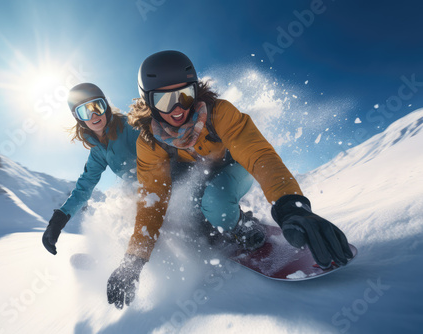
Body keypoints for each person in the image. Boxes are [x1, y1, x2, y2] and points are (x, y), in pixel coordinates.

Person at [106, 50, 354, 309]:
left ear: (195, 89)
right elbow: (152, 201)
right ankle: (213, 226)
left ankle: (242, 226)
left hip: (234, 168)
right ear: (148, 101)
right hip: (198, 177)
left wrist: (291, 204)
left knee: (215, 203)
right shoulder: (150, 143)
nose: (178, 109)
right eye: (164, 100)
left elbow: (258, 154)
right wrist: (133, 260)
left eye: (185, 95)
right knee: (187, 216)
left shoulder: (218, 114)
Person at [42, 83, 140, 255]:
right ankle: (108, 256)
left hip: (164, 183)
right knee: (124, 214)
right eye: (84, 111)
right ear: (78, 118)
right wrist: (58, 219)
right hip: (141, 192)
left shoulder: (129, 128)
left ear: (106, 107)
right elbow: (84, 187)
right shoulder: (98, 151)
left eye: (97, 106)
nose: (93, 115)